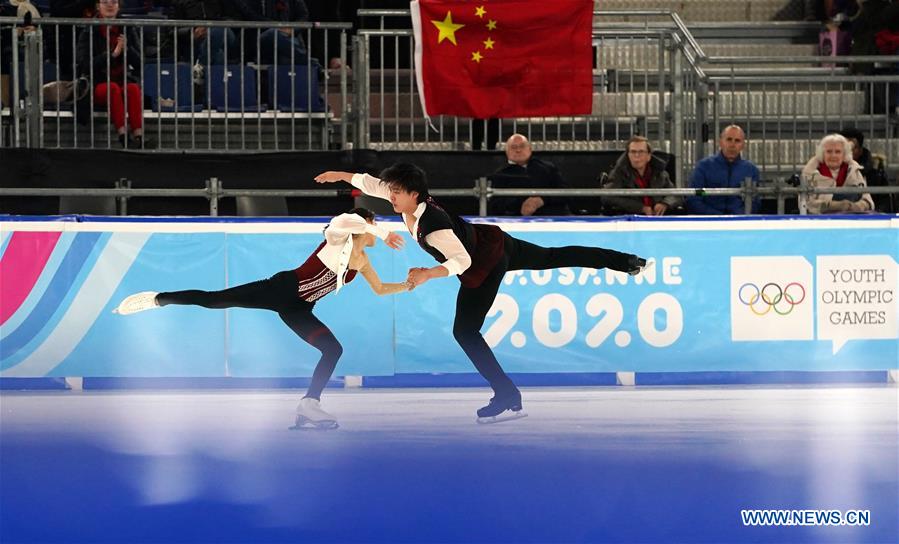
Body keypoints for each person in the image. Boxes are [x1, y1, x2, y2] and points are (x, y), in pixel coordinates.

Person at [315, 165, 649, 423]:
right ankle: (627, 262)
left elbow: (461, 261)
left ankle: (507, 395)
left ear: (414, 195)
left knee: (465, 331)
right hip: (496, 241)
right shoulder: (405, 200)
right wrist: (339, 176)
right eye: (391, 191)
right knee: (552, 256)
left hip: (483, 263)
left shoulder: (434, 224)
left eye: (397, 192)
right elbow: (370, 183)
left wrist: (427, 273)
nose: (391, 197)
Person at [113, 209, 412, 429]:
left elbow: (380, 288)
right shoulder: (337, 238)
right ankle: (157, 298)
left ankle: (309, 404)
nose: (378, 228)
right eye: (374, 223)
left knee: (333, 349)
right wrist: (382, 233)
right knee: (215, 300)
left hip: (299, 308)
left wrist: (408, 284)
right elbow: (343, 220)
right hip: (280, 289)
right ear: (365, 225)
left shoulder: (362, 261)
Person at [76, 0, 149, 148]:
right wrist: (112, 55)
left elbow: (140, 62)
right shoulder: (89, 30)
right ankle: (123, 136)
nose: (110, 5)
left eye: (114, 2)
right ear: (98, 6)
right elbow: (84, 65)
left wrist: (127, 50)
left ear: (119, 6)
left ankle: (139, 137)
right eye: (105, 2)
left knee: (133, 88)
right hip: (95, 83)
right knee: (112, 88)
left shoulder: (127, 28)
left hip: (121, 80)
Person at [489, 133, 571, 216]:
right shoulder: (499, 175)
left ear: (530, 149)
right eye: (513, 147)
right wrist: (520, 205)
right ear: (506, 152)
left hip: (553, 216)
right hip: (517, 219)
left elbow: (566, 193)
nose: (518, 150)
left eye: (522, 146)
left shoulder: (548, 168)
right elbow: (495, 205)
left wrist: (542, 200)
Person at [686, 125, 760, 215]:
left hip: (740, 221)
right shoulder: (703, 167)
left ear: (743, 145)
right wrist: (717, 217)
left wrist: (736, 217)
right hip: (708, 221)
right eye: (729, 139)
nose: (732, 145)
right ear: (720, 142)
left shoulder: (751, 170)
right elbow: (695, 196)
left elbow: (755, 202)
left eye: (737, 141)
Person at [602, 136, 682, 216]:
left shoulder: (660, 172)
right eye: (633, 152)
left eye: (641, 152)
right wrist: (641, 208)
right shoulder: (619, 172)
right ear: (628, 155)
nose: (637, 155)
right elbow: (607, 197)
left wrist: (665, 203)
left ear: (649, 156)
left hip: (658, 218)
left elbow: (676, 195)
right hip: (629, 218)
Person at [800, 133, 874, 214]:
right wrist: (834, 206)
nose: (833, 155)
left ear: (844, 154)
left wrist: (856, 207)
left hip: (852, 218)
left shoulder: (854, 170)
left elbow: (867, 200)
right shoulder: (810, 172)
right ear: (822, 153)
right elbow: (806, 204)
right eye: (829, 151)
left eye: (838, 152)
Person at [226, 0, 311, 65]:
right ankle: (309, 62)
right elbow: (250, 15)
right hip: (261, 37)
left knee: (286, 54)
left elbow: (303, 16)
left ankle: (307, 63)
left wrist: (292, 30)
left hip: (289, 36)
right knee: (274, 33)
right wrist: (276, 26)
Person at [839, 127, 891, 212]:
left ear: (860, 150)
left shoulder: (876, 173)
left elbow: (884, 203)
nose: (848, 151)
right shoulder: (827, 169)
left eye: (853, 147)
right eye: (844, 147)